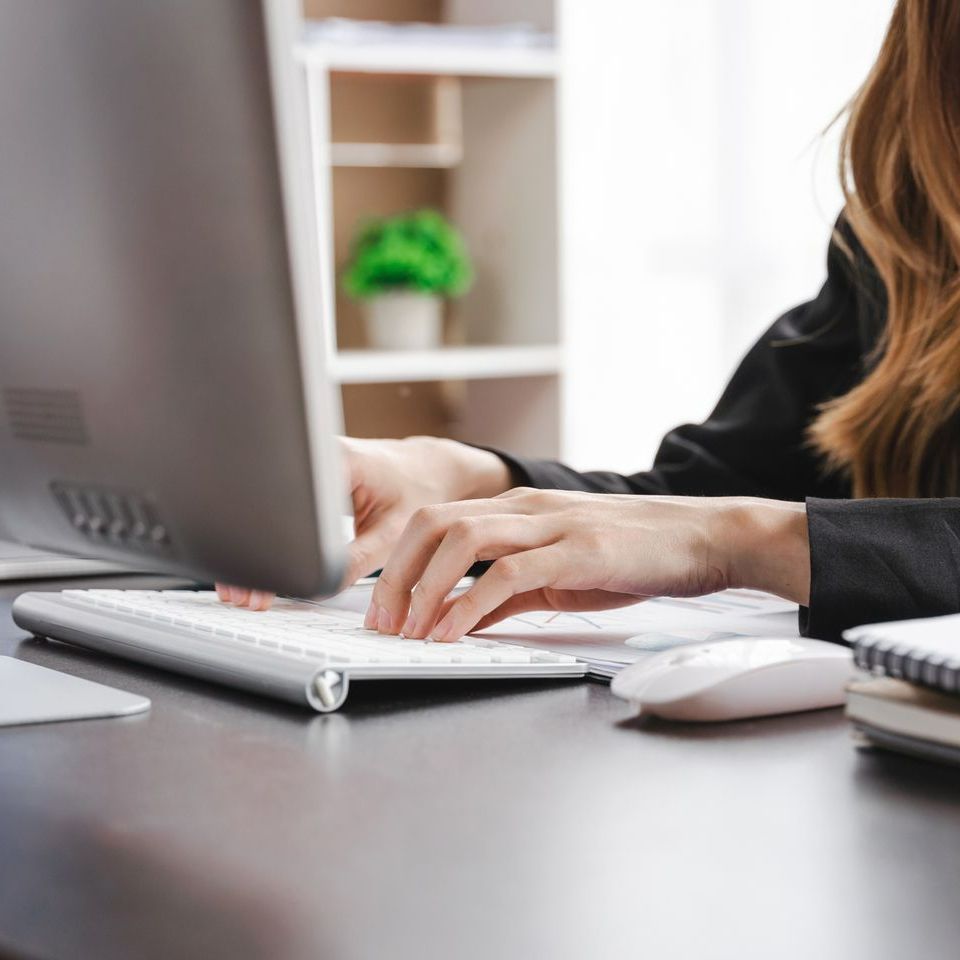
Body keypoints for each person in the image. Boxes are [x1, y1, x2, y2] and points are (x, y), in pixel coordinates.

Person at [220, 0, 960, 645]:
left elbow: (726, 529)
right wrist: (469, 480)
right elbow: (702, 497)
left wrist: (739, 538)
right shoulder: (906, 238)